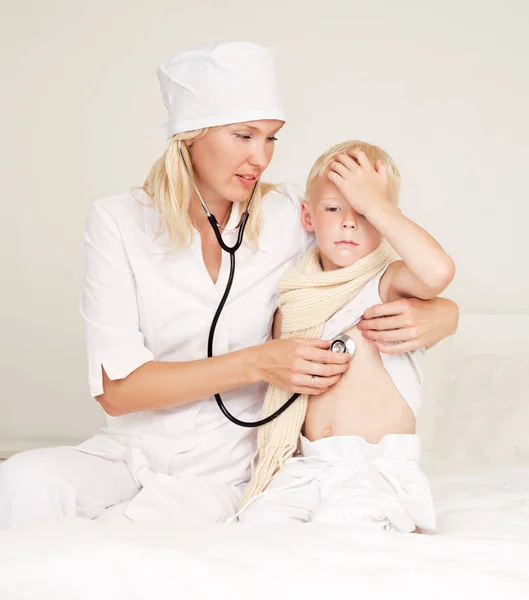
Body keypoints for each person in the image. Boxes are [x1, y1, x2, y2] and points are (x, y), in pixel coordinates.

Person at [0, 42, 458, 530]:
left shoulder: (287, 215)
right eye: (243, 135)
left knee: (132, 536)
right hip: (130, 450)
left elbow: (369, 259)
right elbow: (117, 391)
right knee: (22, 480)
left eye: (271, 138)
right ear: (188, 136)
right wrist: (258, 363)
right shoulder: (118, 221)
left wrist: (443, 313)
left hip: (228, 467)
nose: (260, 157)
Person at [237, 140, 455, 533]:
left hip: (374, 466)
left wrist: (381, 207)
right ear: (308, 216)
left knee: (341, 539)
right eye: (334, 208)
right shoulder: (294, 296)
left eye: (365, 212)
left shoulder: (386, 283)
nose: (350, 222)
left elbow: (437, 272)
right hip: (307, 465)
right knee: (256, 528)